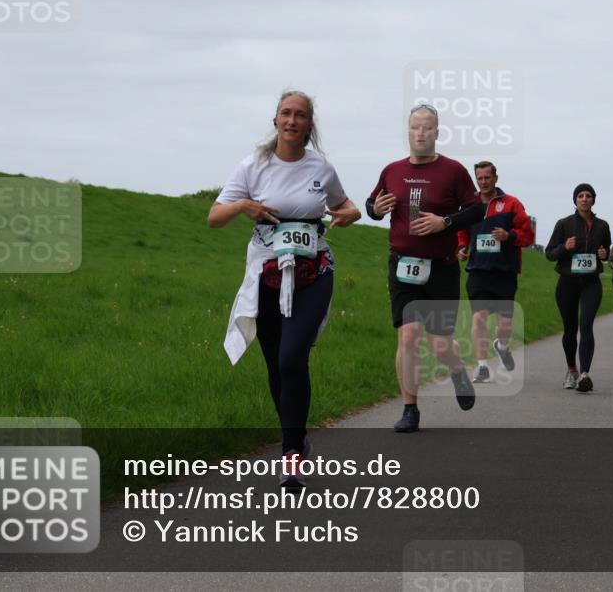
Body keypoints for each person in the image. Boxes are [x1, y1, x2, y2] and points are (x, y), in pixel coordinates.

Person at [213, 90, 361, 487]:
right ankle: (297, 439)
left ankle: (291, 454)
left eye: (300, 115)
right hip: (267, 273)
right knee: (277, 365)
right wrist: (243, 206)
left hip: (314, 271)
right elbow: (214, 216)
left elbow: (347, 206)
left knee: (293, 356)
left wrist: (347, 214)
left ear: (309, 124)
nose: (292, 121)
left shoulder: (321, 167)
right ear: (276, 120)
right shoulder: (253, 166)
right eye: (286, 113)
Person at [366, 104, 485, 433]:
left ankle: (457, 369)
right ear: (408, 131)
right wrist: (375, 209)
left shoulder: (453, 170)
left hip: (442, 269)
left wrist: (444, 222)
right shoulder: (392, 170)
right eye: (415, 127)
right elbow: (372, 205)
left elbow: (476, 211)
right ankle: (410, 409)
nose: (420, 133)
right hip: (402, 266)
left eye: (427, 128)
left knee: (440, 344)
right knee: (408, 336)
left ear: (437, 132)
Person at [455, 161, 534, 383]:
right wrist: (461, 248)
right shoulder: (469, 206)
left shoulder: (511, 204)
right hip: (478, 271)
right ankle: (482, 367)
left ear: (496, 178)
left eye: (487, 177)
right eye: (479, 178)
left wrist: (509, 236)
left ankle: (501, 345)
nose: (483, 182)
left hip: (505, 272)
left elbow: (528, 236)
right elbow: (461, 233)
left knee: (504, 325)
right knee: (478, 318)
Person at [545, 184, 612, 393]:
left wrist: (605, 254)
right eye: (580, 196)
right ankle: (571, 370)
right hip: (567, 282)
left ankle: (584, 374)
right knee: (570, 328)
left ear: (593, 200)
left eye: (588, 196)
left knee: (586, 325)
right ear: (575, 200)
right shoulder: (564, 224)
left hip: (591, 282)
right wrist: (565, 247)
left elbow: (606, 249)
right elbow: (549, 253)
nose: (584, 199)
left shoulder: (602, 226)